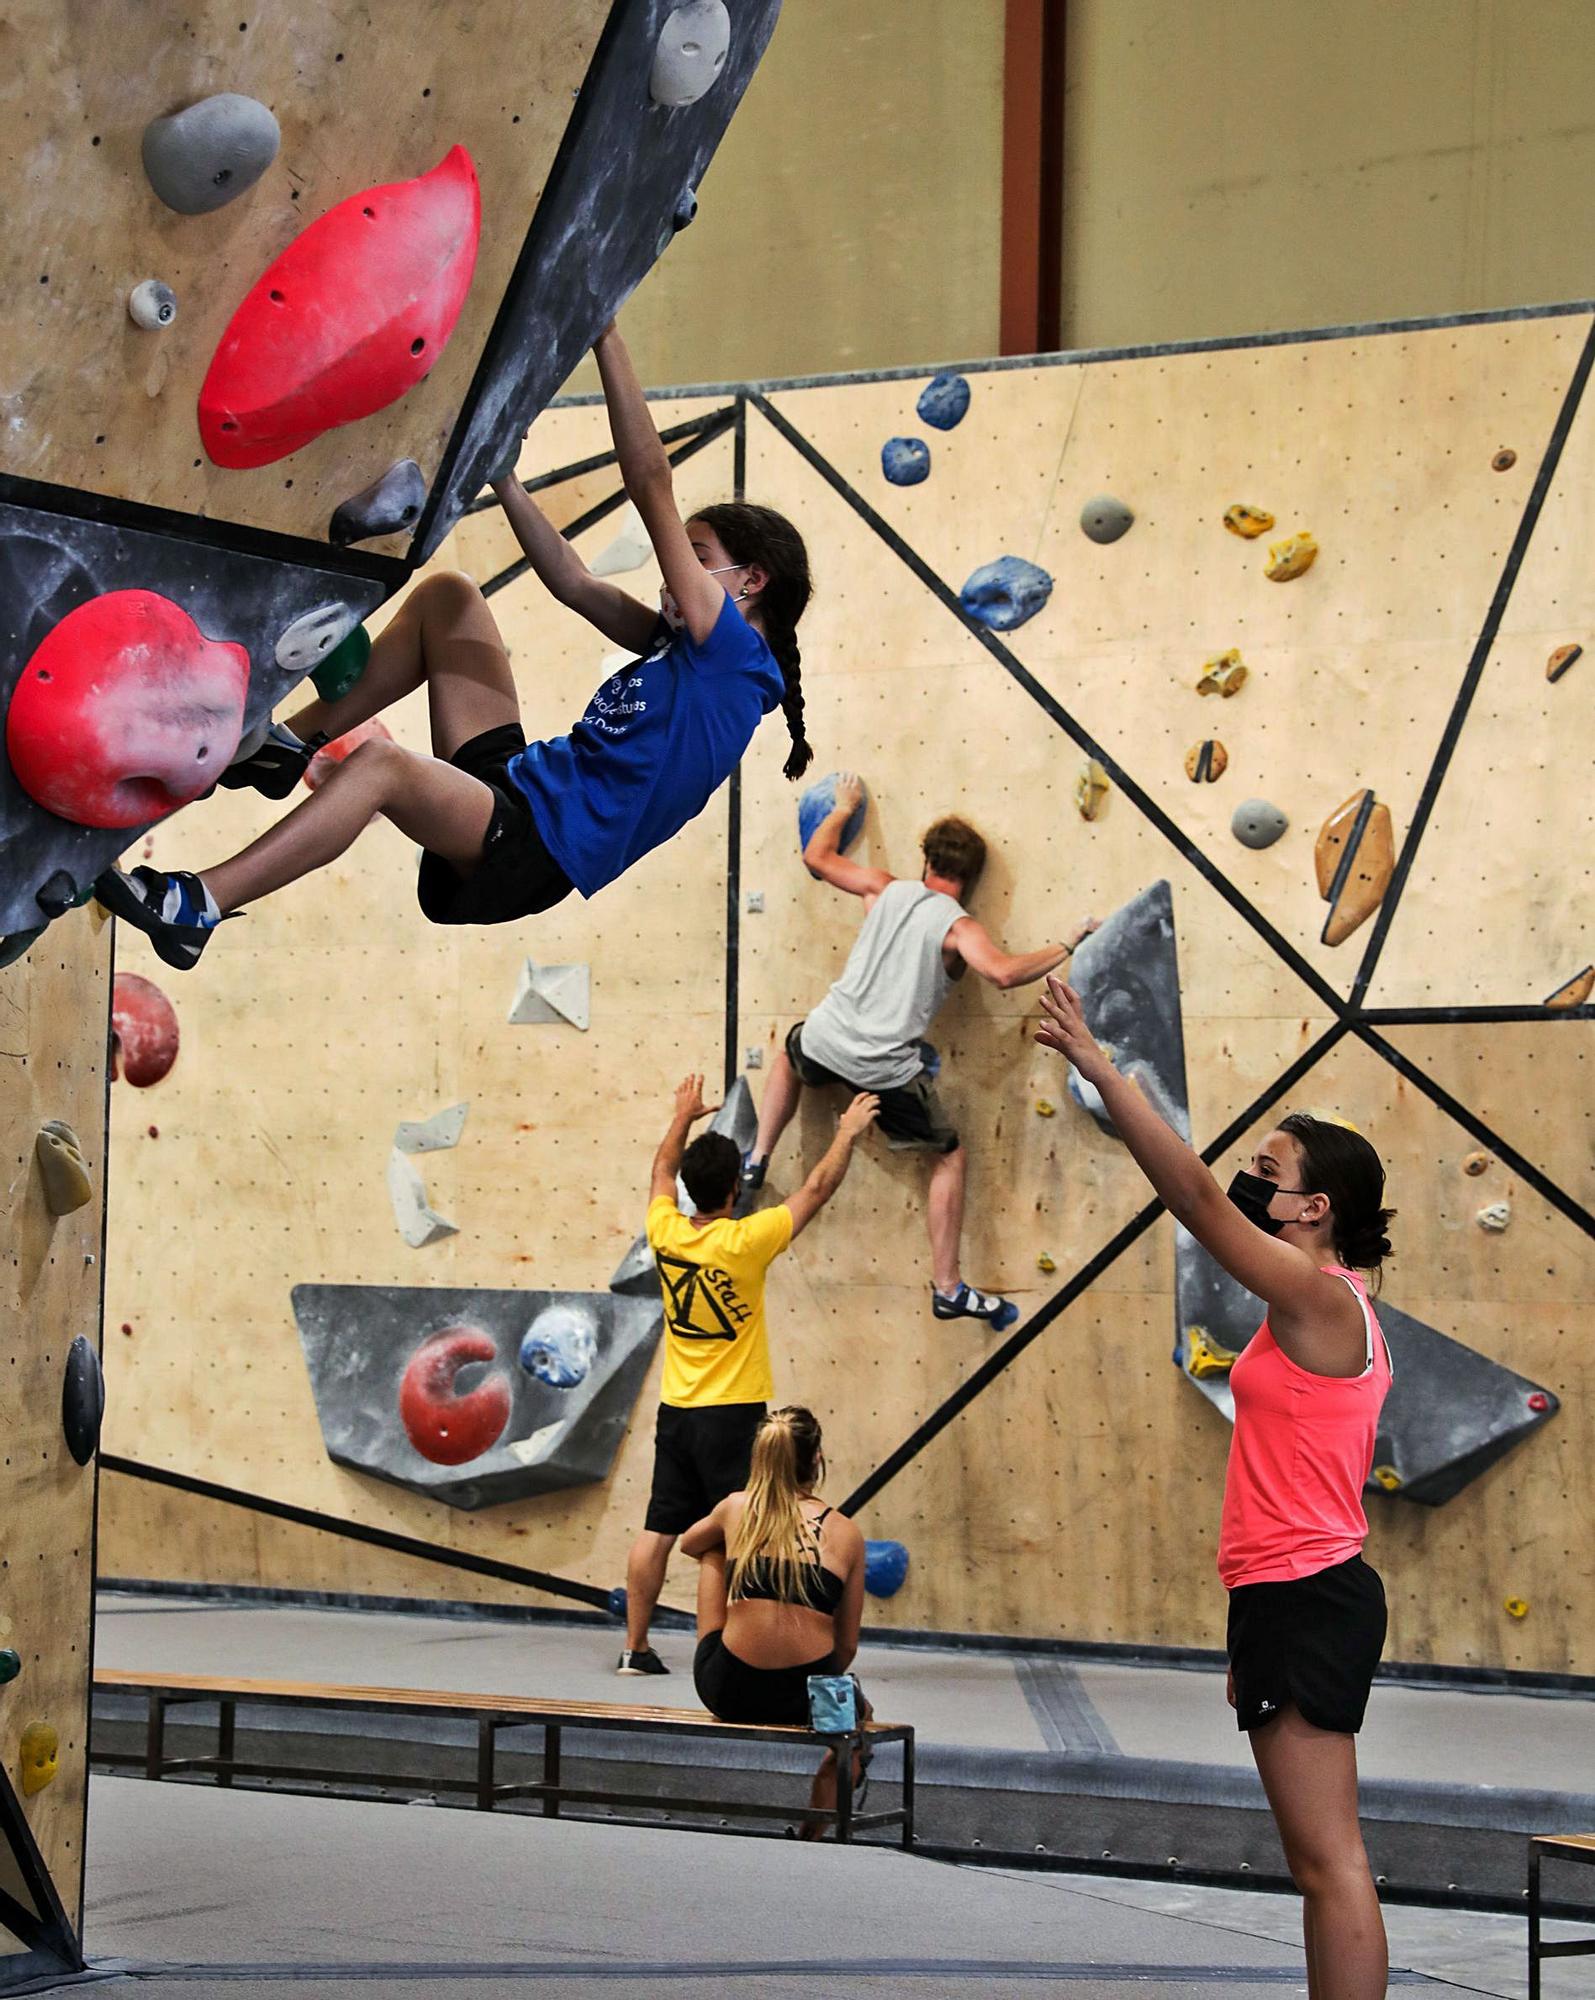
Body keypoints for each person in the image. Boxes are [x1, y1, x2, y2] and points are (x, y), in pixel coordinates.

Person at [95, 321, 814, 969]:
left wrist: (605, 332)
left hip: (535, 845)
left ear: (749, 580)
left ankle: (198, 907)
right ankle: (290, 746)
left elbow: (649, 482)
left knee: (383, 768)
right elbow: (570, 580)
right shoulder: (681, 649)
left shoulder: (731, 660)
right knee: (450, 599)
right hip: (519, 785)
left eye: (695, 556)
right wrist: (500, 473)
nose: (675, 573)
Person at [1036, 974, 1396, 2000]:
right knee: (1315, 1862)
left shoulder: (1319, 1296)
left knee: (1330, 1863)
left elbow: (1190, 1196)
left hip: (1306, 1591)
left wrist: (1099, 1067)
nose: (1246, 1175)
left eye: (1266, 1170)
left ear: (1313, 1207)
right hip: (1282, 1590)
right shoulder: (1327, 1304)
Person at [743, 776, 1096, 1329]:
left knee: (792, 1050)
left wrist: (844, 808)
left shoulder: (882, 887)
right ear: (971, 877)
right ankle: (948, 1286)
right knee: (948, 1154)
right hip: (881, 1067)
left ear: (926, 861)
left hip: (826, 1035)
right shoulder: (957, 926)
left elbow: (816, 856)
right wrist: (1069, 943)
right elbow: (1003, 973)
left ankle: (757, 1157)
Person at [619, 1074, 878, 1675]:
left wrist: (682, 1115)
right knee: (750, 1532)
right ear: (736, 1188)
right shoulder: (747, 1241)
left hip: (676, 1410)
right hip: (734, 1414)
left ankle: (635, 1649)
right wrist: (845, 1132)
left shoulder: (666, 1232)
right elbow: (815, 1188)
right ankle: (746, 1647)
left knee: (659, 1529)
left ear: (689, 1189)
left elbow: (659, 1173)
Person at [682, 1405, 870, 1837]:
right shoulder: (845, 1532)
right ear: (817, 1458)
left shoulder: (737, 1507)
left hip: (725, 1687)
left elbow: (689, 1544)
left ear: (763, 1458)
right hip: (802, 1695)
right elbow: (846, 1645)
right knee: (857, 1717)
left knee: (713, 1548)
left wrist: (747, 1545)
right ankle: (815, 1829)